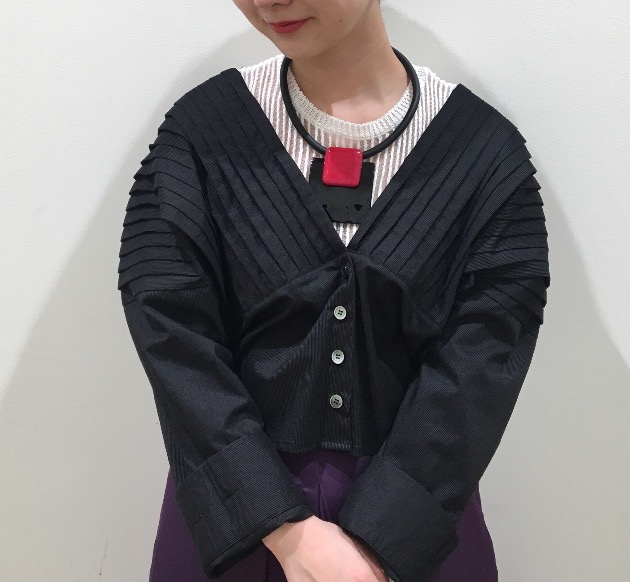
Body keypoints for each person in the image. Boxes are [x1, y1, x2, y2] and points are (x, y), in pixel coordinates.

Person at [117, 1, 551, 581]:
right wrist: (283, 529)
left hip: (418, 526)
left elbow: (487, 354)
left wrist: (380, 540)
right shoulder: (200, 136)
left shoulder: (485, 158)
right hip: (234, 523)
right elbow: (171, 333)